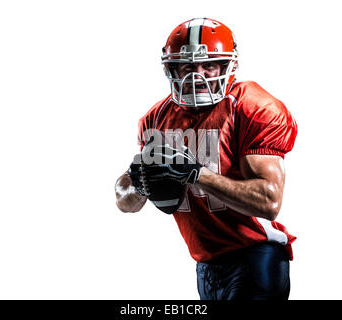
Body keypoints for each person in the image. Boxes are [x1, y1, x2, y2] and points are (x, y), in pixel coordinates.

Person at [115, 18, 297, 300]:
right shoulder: (156, 119)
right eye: (187, 66)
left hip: (256, 255)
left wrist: (196, 173)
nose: (196, 76)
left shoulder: (253, 107)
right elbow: (124, 201)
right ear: (172, 68)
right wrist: (138, 182)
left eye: (208, 65)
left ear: (228, 66)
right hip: (205, 264)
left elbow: (269, 202)